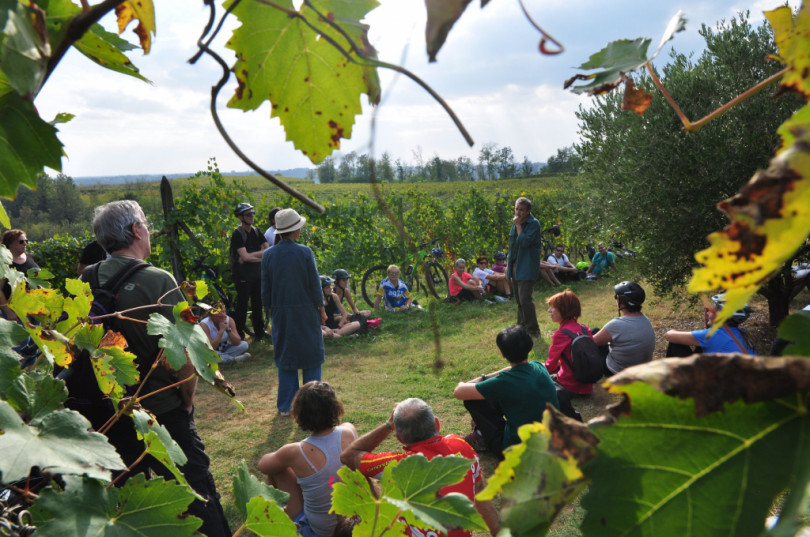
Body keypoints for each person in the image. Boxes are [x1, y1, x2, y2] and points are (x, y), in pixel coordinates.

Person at [84, 200, 231, 537]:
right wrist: (187, 402)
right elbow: (184, 352)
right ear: (136, 230)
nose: (148, 230)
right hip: (161, 412)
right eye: (146, 224)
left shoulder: (87, 277)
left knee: (128, 505)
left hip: (110, 412)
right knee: (196, 494)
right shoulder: (158, 279)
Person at [340, 398, 499, 537]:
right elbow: (480, 493)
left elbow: (349, 456)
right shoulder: (462, 447)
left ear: (399, 438)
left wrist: (388, 425)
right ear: (437, 423)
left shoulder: (398, 464)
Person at [258, 381, 357, 537]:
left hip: (320, 531)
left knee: (277, 470)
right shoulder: (349, 431)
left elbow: (263, 465)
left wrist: (288, 460)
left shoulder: (295, 451)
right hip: (353, 528)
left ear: (299, 414)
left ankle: (273, 518)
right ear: (336, 407)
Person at [453, 324, 559, 459]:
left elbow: (459, 391)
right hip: (551, 443)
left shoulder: (504, 382)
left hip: (517, 452)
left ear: (502, 353)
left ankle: (481, 436)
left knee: (473, 400)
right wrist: (490, 377)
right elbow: (514, 371)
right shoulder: (539, 366)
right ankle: (480, 431)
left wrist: (483, 377)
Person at [261, 208, 326, 416]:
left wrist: (270, 315)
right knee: (311, 357)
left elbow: (265, 290)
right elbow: (315, 285)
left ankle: (286, 406)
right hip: (306, 310)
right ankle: (313, 404)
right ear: (295, 229)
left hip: (281, 313)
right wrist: (322, 309)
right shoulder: (305, 252)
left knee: (286, 358)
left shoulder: (268, 255)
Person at [543, 290, 593, 422]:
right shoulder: (584, 329)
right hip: (588, 383)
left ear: (563, 310)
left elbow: (550, 367)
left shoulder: (560, 334)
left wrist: (540, 368)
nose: (549, 311)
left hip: (570, 386)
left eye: (552, 307)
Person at [592, 281, 655, 375]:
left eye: (616, 297)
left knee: (592, 334)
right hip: (641, 370)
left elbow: (590, 343)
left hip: (617, 371)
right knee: (598, 332)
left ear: (622, 303)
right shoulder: (645, 319)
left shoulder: (616, 325)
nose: (616, 300)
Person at [665, 294, 756, 356]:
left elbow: (669, 335)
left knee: (675, 343)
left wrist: (680, 332)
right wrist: (708, 319)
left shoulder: (714, 335)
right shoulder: (742, 332)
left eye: (712, 310)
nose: (708, 313)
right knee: (700, 345)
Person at [230, 202, 269, 341]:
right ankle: (238, 334)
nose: (252, 216)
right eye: (248, 214)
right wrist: (261, 255)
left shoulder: (257, 231)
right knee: (242, 305)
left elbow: (267, 250)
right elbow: (245, 257)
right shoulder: (237, 234)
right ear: (240, 217)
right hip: (243, 276)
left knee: (258, 304)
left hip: (256, 274)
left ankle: (259, 333)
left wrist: (251, 256)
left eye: (252, 213)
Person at [507, 197, 543, 337]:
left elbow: (525, 242)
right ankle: (521, 327)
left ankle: (533, 330)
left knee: (525, 299)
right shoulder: (517, 223)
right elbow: (513, 246)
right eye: (516, 209)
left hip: (527, 266)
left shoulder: (533, 224)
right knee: (518, 299)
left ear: (528, 211)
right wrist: (509, 265)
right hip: (516, 264)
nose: (518, 212)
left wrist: (518, 227)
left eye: (521, 210)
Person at [1, 229, 39, 321]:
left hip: (34, 308)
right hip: (16, 311)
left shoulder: (29, 257)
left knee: (36, 335)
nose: (25, 243)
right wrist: (8, 312)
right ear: (10, 244)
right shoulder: (4, 263)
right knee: (23, 335)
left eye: (26, 241)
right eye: (21, 241)